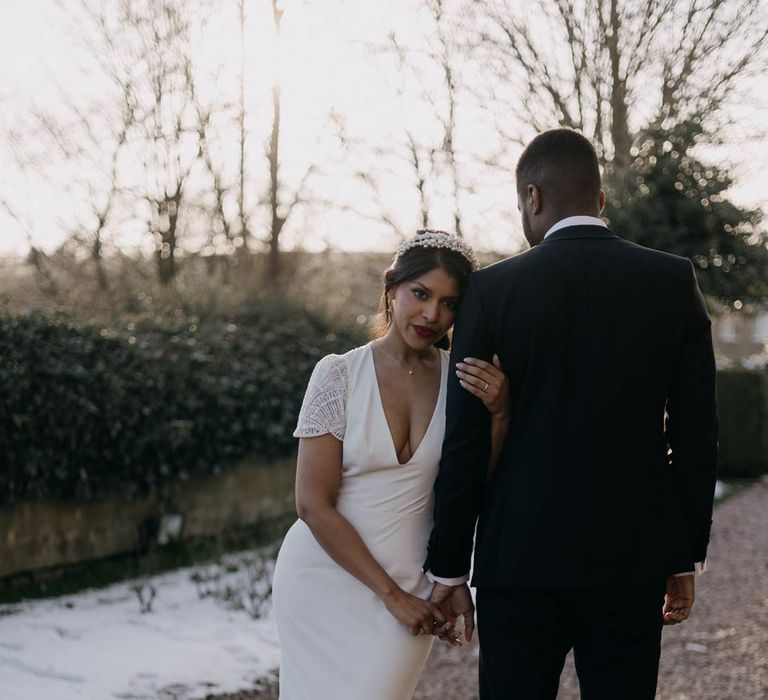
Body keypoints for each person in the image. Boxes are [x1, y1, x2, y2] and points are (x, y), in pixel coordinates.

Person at [425, 128, 718, 700]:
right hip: (630, 561)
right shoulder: (671, 281)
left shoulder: (491, 291)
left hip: (520, 561)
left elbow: (465, 441)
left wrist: (450, 567)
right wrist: (682, 552)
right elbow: (695, 431)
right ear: (600, 200)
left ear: (532, 197)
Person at [272, 230, 508, 700]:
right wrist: (390, 595)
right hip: (322, 579)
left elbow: (474, 485)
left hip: (411, 583)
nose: (431, 315)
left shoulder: (458, 377)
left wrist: (500, 411)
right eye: (420, 294)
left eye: (449, 303)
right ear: (391, 288)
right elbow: (312, 505)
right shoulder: (336, 373)